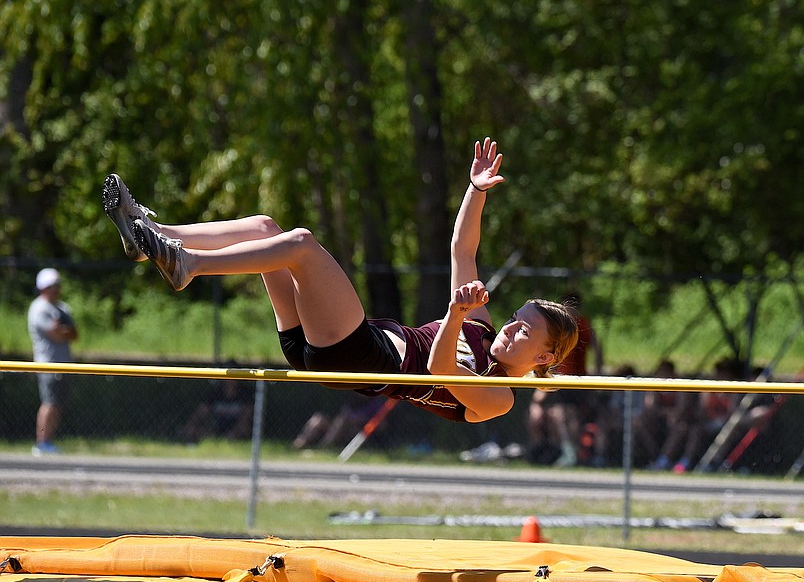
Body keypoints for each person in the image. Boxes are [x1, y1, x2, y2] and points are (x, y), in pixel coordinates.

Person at [102, 138, 579, 423]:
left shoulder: (501, 399)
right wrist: (475, 191)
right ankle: (152, 236)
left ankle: (190, 266)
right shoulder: (481, 328)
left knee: (301, 245)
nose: (511, 327)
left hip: (361, 357)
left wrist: (455, 314)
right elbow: (462, 249)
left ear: (545, 356)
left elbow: (439, 371)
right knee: (267, 228)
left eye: (523, 330)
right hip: (328, 343)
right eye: (516, 318)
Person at [525, 293, 603, 466]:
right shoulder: (559, 326)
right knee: (543, 410)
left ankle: (571, 450)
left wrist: (596, 375)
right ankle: (546, 447)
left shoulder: (582, 325)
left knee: (565, 414)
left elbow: (598, 351)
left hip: (574, 380)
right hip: (557, 378)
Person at [27, 267, 78, 455]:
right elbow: (56, 334)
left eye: (57, 285)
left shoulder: (62, 307)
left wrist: (63, 330)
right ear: (43, 287)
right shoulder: (38, 308)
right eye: (52, 286)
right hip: (47, 364)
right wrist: (64, 330)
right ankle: (41, 443)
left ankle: (48, 441)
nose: (56, 289)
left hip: (64, 364)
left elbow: (73, 334)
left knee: (57, 405)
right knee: (48, 404)